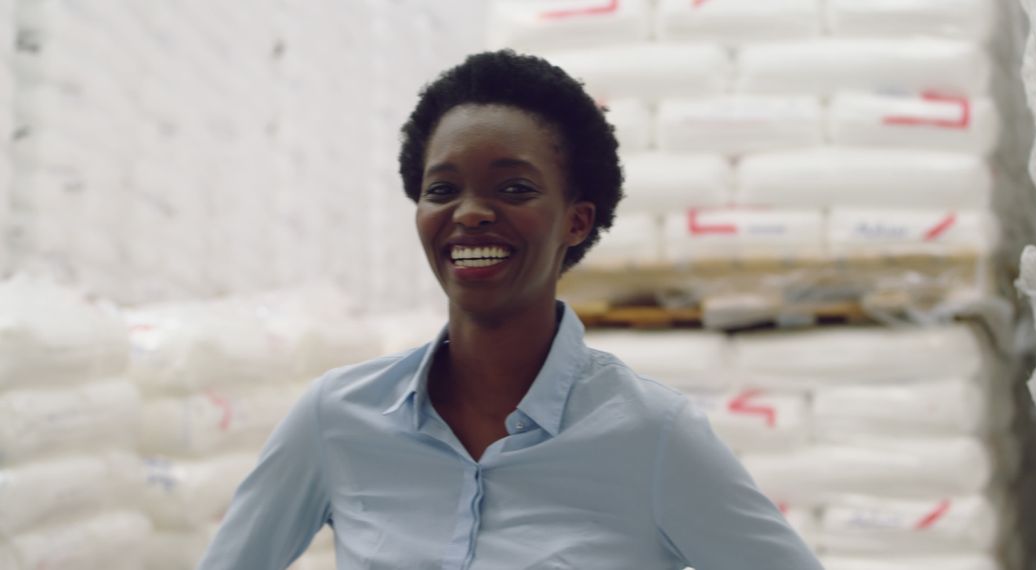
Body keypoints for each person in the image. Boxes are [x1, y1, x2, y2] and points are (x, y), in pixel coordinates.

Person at [198, 50, 822, 570]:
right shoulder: (337, 418)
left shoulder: (651, 434)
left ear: (576, 221)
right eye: (441, 190)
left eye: (514, 188)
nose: (469, 212)